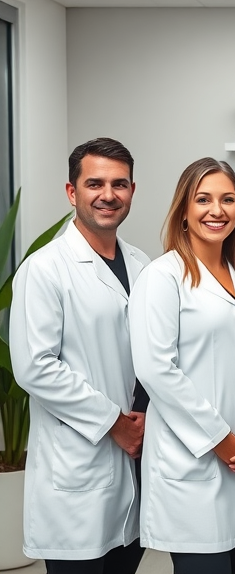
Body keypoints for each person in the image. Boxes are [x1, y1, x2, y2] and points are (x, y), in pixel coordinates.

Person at [129, 158, 235, 574]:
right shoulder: (161, 277)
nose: (218, 210)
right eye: (204, 199)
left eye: (228, 199)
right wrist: (220, 439)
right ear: (183, 210)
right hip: (192, 460)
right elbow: (156, 369)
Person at [11, 138, 149, 574]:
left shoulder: (143, 264)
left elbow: (152, 354)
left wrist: (144, 413)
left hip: (138, 459)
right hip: (79, 466)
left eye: (119, 184)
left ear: (132, 190)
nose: (108, 195)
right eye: (95, 184)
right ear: (72, 192)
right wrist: (113, 423)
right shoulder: (45, 268)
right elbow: (35, 366)